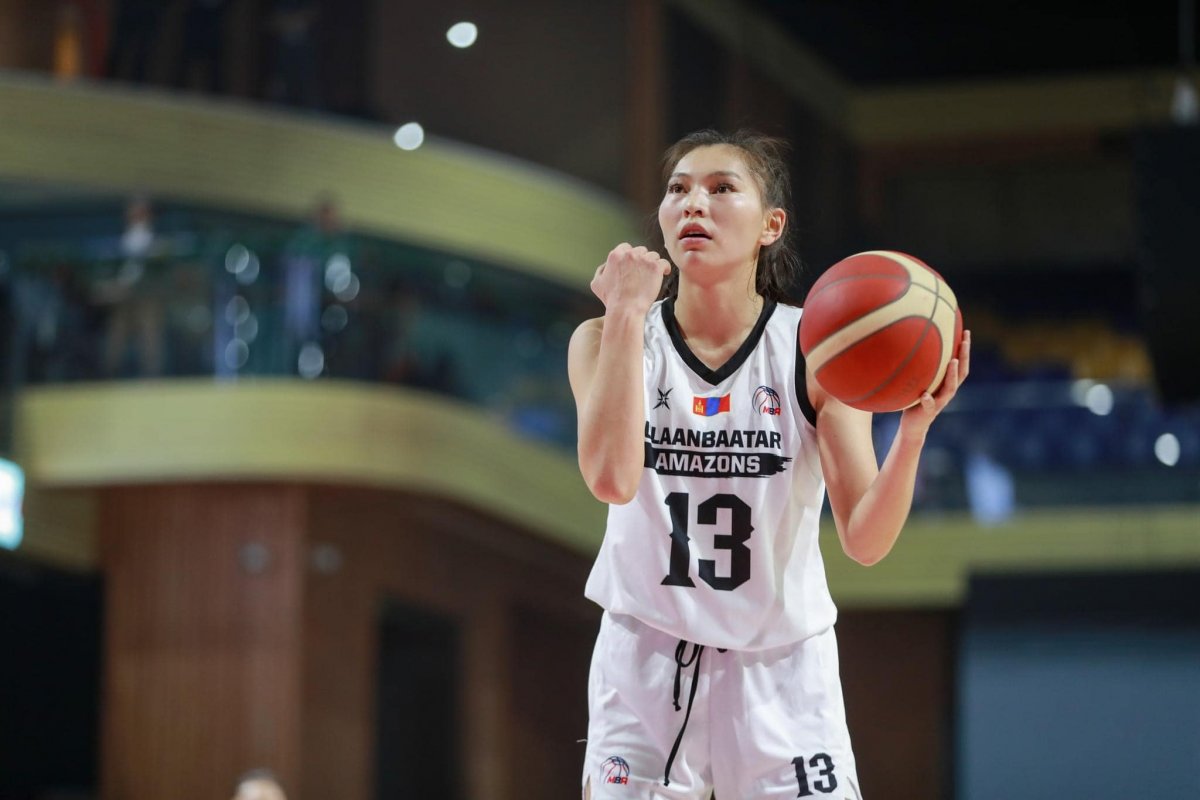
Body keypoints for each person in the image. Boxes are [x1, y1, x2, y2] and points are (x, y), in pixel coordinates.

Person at [567, 130, 970, 799]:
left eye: (722, 188)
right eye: (678, 189)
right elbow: (611, 480)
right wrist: (628, 312)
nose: (694, 203)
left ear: (770, 225)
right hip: (647, 660)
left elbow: (866, 541)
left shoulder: (818, 349)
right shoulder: (606, 337)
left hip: (782, 668)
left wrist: (913, 432)